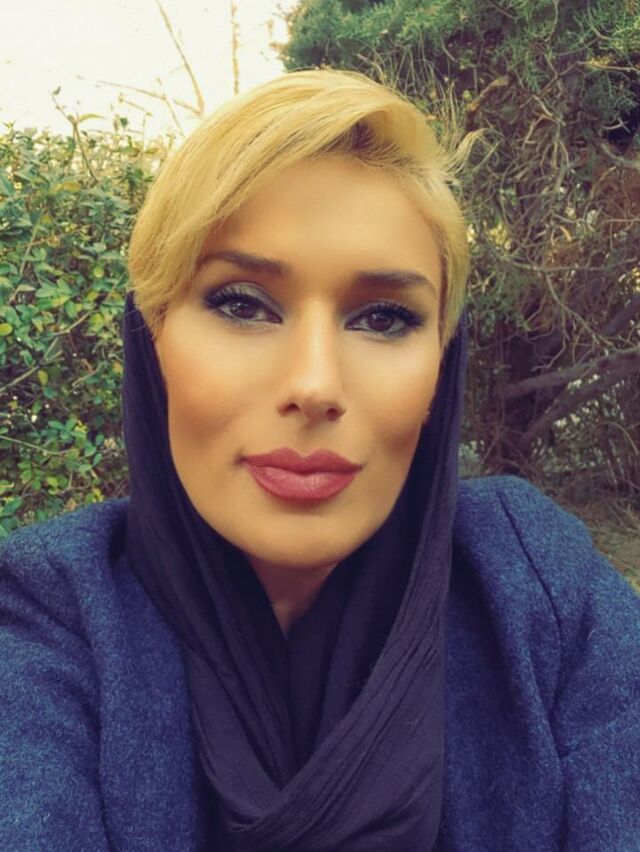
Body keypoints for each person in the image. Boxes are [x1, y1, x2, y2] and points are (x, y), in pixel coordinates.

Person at [1, 67, 638, 852]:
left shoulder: (536, 591)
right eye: (241, 303)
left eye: (384, 318)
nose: (315, 385)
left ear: (443, 364)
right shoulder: (48, 618)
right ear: (151, 337)